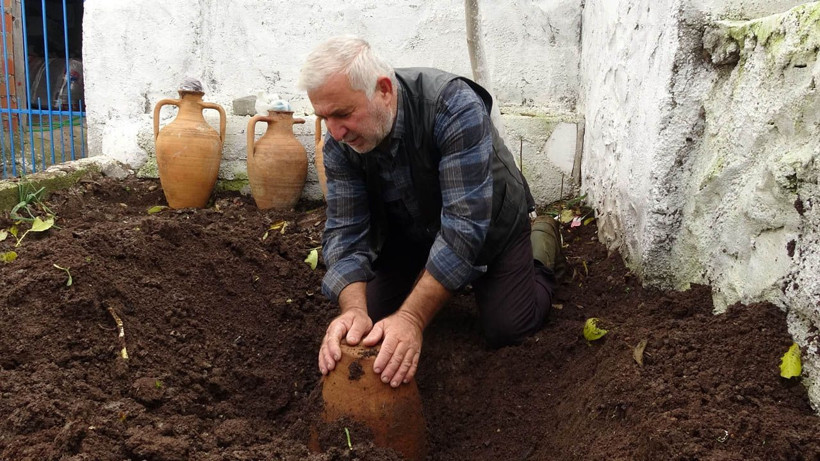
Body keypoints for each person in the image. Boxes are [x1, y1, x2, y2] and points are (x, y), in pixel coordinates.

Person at [297, 36, 564, 389]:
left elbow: (464, 227)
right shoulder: (339, 143)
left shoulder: (453, 106)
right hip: (411, 230)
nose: (334, 131)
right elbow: (346, 232)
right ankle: (428, 283)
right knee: (370, 323)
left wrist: (410, 317)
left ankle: (543, 241)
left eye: (343, 114)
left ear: (384, 90)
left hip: (489, 224)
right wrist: (353, 311)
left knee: (508, 327)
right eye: (323, 117)